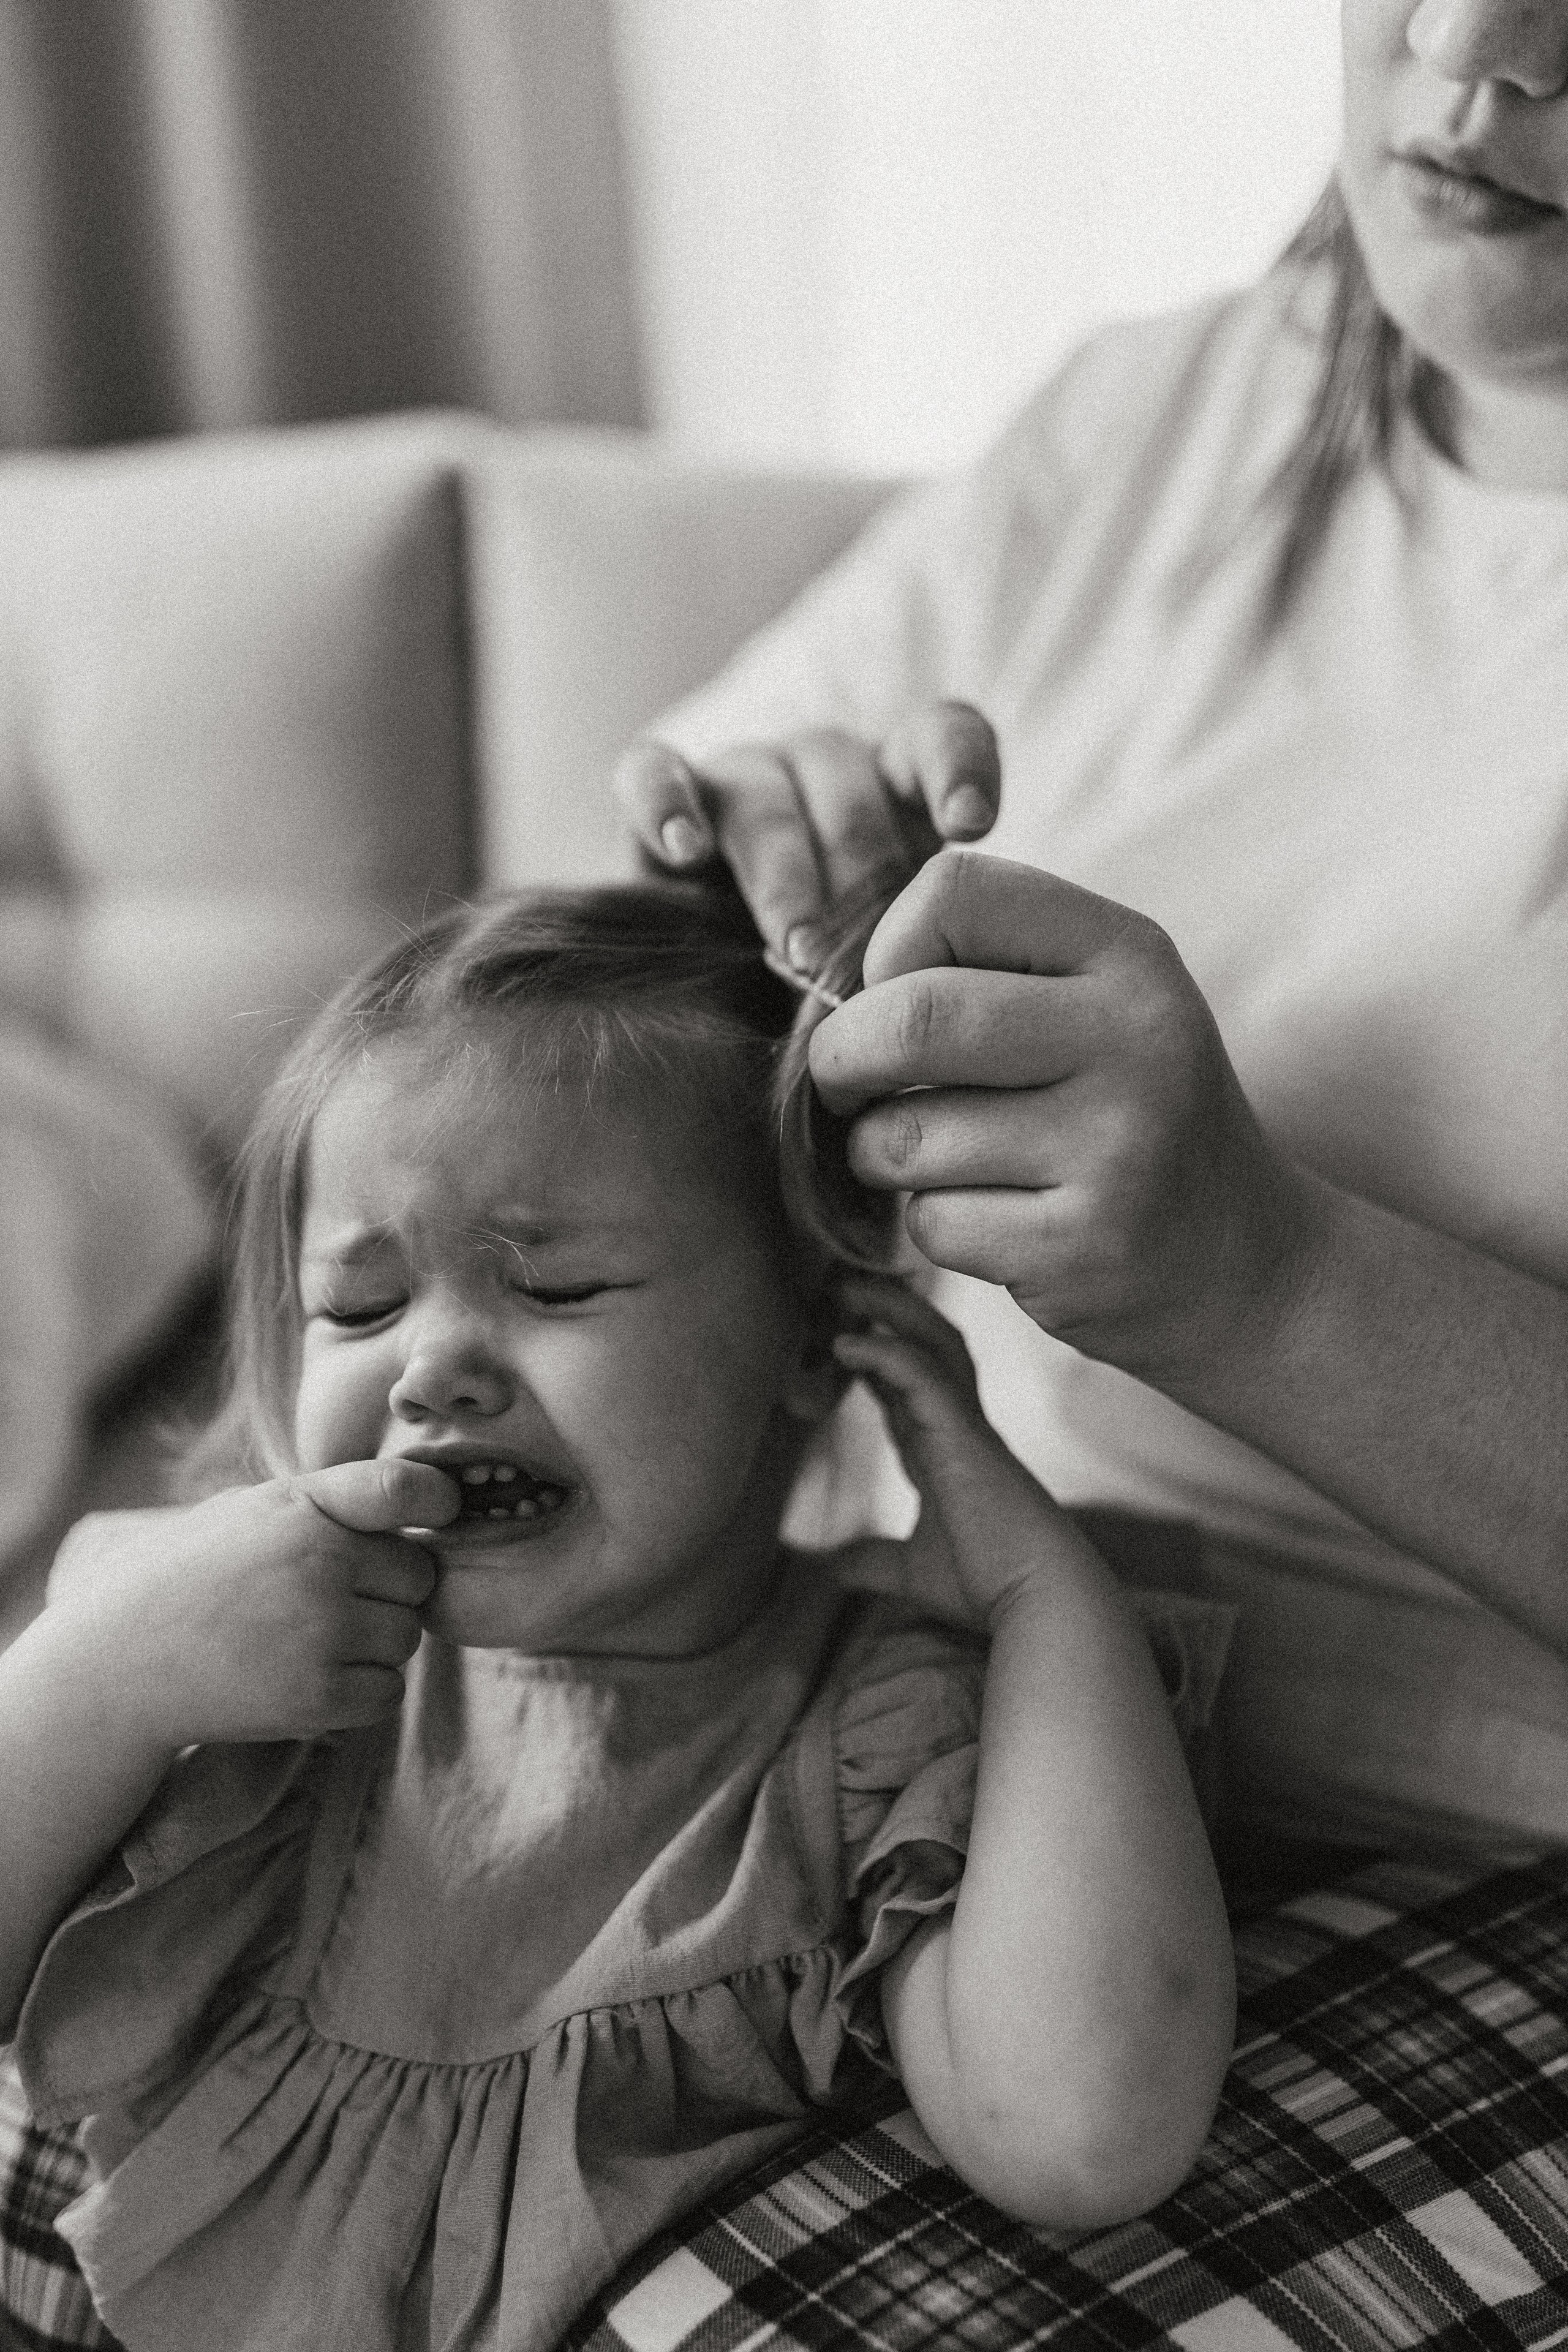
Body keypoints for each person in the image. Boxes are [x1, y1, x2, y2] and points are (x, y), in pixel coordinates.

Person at [0, 884, 1234, 2352]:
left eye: (555, 1284)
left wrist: (1037, 1592)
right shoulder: (214, 1666)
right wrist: (91, 1690)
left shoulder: (874, 1728)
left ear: (814, 1335)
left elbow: (1082, 2134)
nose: (432, 1370)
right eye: (358, 1305)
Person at [616, 0, 1568, 1857]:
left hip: (1459, 1855)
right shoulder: (1168, 409)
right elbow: (627, 903)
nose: (1477, 43)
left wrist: (1269, 1284)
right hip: (937, 1689)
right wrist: (746, 921)